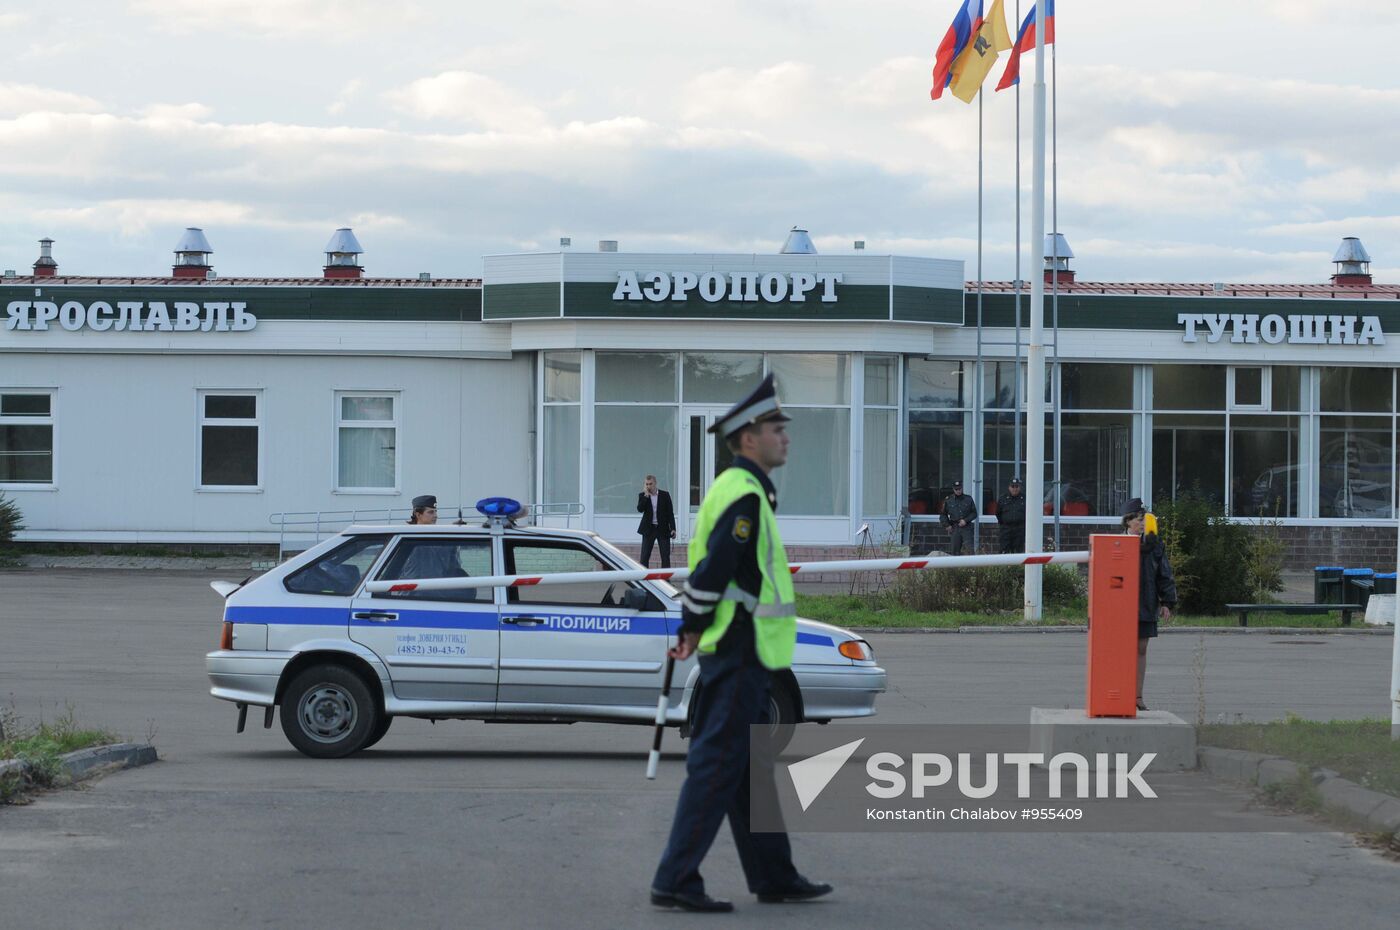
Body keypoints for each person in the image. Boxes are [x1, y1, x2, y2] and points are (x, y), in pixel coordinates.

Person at [651, 373, 832, 913]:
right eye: (777, 428)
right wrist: (691, 625)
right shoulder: (744, 495)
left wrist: (692, 628)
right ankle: (675, 879)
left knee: (749, 771)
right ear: (749, 438)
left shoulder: (742, 489)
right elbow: (713, 571)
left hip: (741, 647)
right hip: (739, 649)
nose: (786, 437)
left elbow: (719, 574)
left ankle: (775, 875)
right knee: (716, 766)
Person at [1122, 497, 1177, 711]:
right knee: (1121, 649)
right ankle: (1120, 692)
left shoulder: (1155, 545)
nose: (1143, 523)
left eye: (1144, 519)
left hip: (1146, 601)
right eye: (1139, 519)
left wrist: (1167, 602)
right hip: (1120, 605)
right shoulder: (1115, 543)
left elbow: (1164, 573)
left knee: (1141, 648)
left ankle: (1137, 696)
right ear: (1128, 521)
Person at [636, 475, 677, 568]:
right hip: (649, 529)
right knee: (644, 556)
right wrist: (646, 496)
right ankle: (643, 576)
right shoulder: (643, 495)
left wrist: (673, 528)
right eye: (646, 484)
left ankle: (665, 577)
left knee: (665, 556)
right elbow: (640, 509)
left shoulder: (665, 495)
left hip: (662, 528)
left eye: (650, 484)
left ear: (655, 483)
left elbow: (670, 513)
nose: (648, 486)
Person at [940, 480, 977, 555]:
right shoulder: (949, 500)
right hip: (955, 527)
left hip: (966, 527)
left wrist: (965, 520)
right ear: (953, 489)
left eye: (959, 489)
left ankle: (970, 563)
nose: (958, 491)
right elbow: (943, 514)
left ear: (962, 488)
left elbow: (974, 513)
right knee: (955, 551)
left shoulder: (968, 499)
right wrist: (947, 525)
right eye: (956, 489)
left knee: (969, 550)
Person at [996, 477, 1027, 554]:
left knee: (1018, 551)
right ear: (1009, 487)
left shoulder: (1025, 499)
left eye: (1016, 486)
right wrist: (1004, 523)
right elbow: (998, 513)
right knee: (1004, 551)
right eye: (1012, 486)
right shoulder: (1003, 498)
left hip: (1019, 529)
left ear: (1019, 487)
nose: (1014, 489)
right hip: (1006, 529)